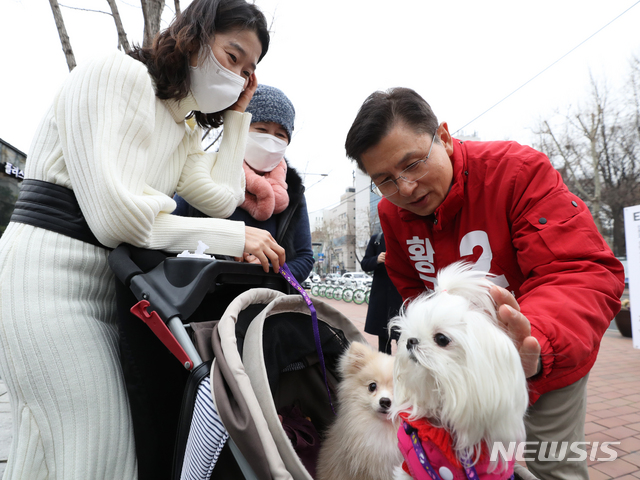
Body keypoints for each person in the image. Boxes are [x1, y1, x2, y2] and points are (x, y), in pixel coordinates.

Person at [0, 1, 283, 479]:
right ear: (194, 33)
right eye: (232, 57)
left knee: (50, 453)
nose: (237, 75)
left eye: (248, 70)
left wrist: (238, 115)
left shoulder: (182, 123)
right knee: (98, 453)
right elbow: (116, 220)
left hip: (103, 286)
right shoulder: (117, 73)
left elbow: (221, 198)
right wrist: (235, 238)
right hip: (47, 277)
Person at [344, 87, 625, 480]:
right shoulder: (393, 214)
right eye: (386, 180)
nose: (405, 188)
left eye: (413, 164)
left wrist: (533, 347)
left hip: (541, 356)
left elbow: (579, 269)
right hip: (451, 369)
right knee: (451, 462)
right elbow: (411, 288)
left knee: (554, 464)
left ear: (442, 136)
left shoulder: (517, 171)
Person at [174, 84, 314, 283]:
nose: (270, 140)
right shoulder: (203, 172)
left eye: (280, 135)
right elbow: (172, 232)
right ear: (242, 128)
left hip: (266, 304)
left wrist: (271, 270)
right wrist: (229, 247)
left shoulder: (293, 191)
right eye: (262, 129)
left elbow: (304, 257)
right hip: (207, 302)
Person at [360, 231, 403, 353]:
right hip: (382, 297)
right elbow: (365, 264)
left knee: (404, 337)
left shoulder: (404, 235)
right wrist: (377, 259)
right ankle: (384, 369)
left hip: (401, 295)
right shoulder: (377, 239)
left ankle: (405, 368)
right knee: (383, 338)